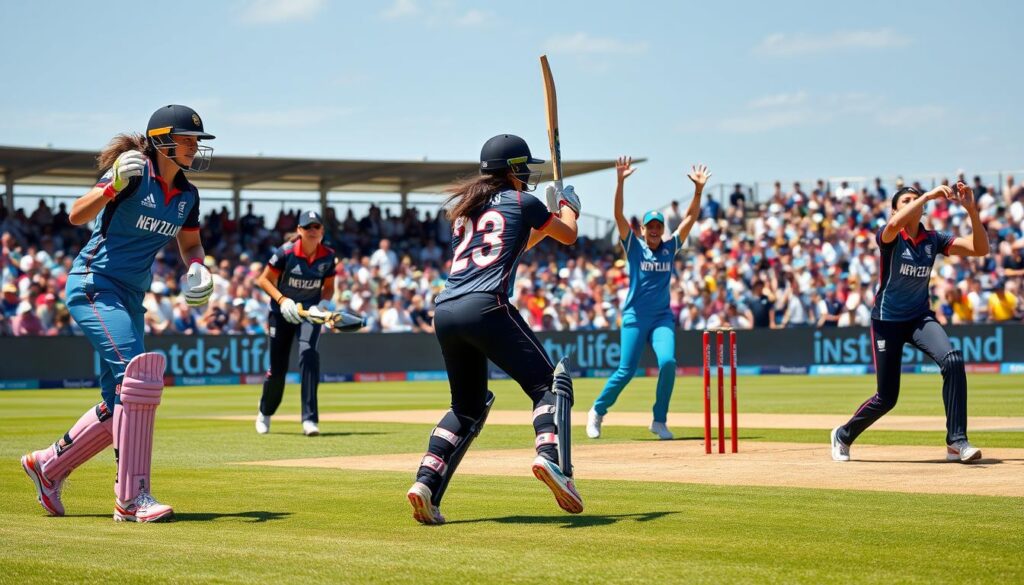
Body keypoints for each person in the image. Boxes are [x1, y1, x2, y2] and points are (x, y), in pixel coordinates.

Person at [20, 105, 216, 522]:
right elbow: (76, 215)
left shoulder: (188, 195)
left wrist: (198, 267)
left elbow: (191, 244)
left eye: (196, 140)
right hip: (94, 284)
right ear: (162, 140)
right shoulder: (132, 172)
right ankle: (131, 498)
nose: (194, 147)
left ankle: (47, 467)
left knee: (118, 402)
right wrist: (111, 188)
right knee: (138, 378)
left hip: (130, 296)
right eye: (187, 139)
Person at [405, 134, 582, 525]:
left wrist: (548, 217)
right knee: (547, 386)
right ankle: (551, 461)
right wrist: (568, 208)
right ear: (512, 169)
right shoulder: (523, 202)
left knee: (466, 407)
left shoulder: (465, 211)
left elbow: (517, 244)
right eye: (523, 167)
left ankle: (426, 483)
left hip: (447, 311)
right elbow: (568, 236)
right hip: (488, 305)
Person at [831, 182, 989, 464]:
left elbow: (980, 249)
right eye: (905, 200)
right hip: (887, 321)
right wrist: (927, 195)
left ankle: (956, 442)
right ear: (895, 209)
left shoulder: (933, 239)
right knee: (887, 398)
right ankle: (843, 434)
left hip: (919, 318)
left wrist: (972, 211)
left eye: (915, 200)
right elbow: (893, 224)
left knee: (952, 360)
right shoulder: (889, 236)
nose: (911, 203)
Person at [587, 157, 711, 440]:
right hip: (634, 316)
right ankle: (597, 410)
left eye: (658, 226)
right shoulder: (634, 247)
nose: (654, 230)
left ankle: (659, 420)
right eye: (650, 226)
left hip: (661, 318)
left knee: (668, 362)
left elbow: (690, 219)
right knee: (626, 370)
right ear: (642, 230)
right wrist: (619, 183)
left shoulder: (670, 247)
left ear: (662, 230)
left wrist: (698, 191)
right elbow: (618, 216)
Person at [255, 210, 337, 436]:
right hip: (282, 313)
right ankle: (265, 411)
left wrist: (323, 305)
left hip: (310, 314)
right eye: (307, 227)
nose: (312, 231)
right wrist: (282, 300)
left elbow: (329, 287)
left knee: (309, 354)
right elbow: (263, 279)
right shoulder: (285, 252)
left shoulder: (328, 256)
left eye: (316, 227)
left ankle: (309, 420)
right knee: (278, 368)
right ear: (299, 230)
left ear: (322, 231)